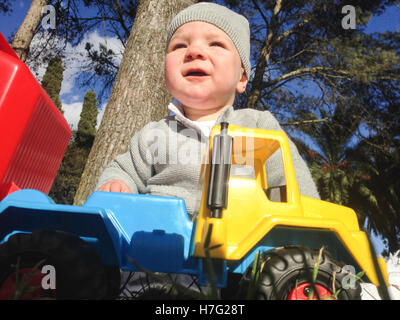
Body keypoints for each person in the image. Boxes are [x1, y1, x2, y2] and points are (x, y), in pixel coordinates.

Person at [96, 2, 319, 218]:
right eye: (179, 46)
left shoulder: (258, 125)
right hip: (158, 239)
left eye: (216, 44)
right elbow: (124, 170)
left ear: (242, 78)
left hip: (241, 240)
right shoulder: (154, 134)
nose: (194, 51)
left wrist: (306, 224)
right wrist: (117, 183)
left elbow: (292, 181)